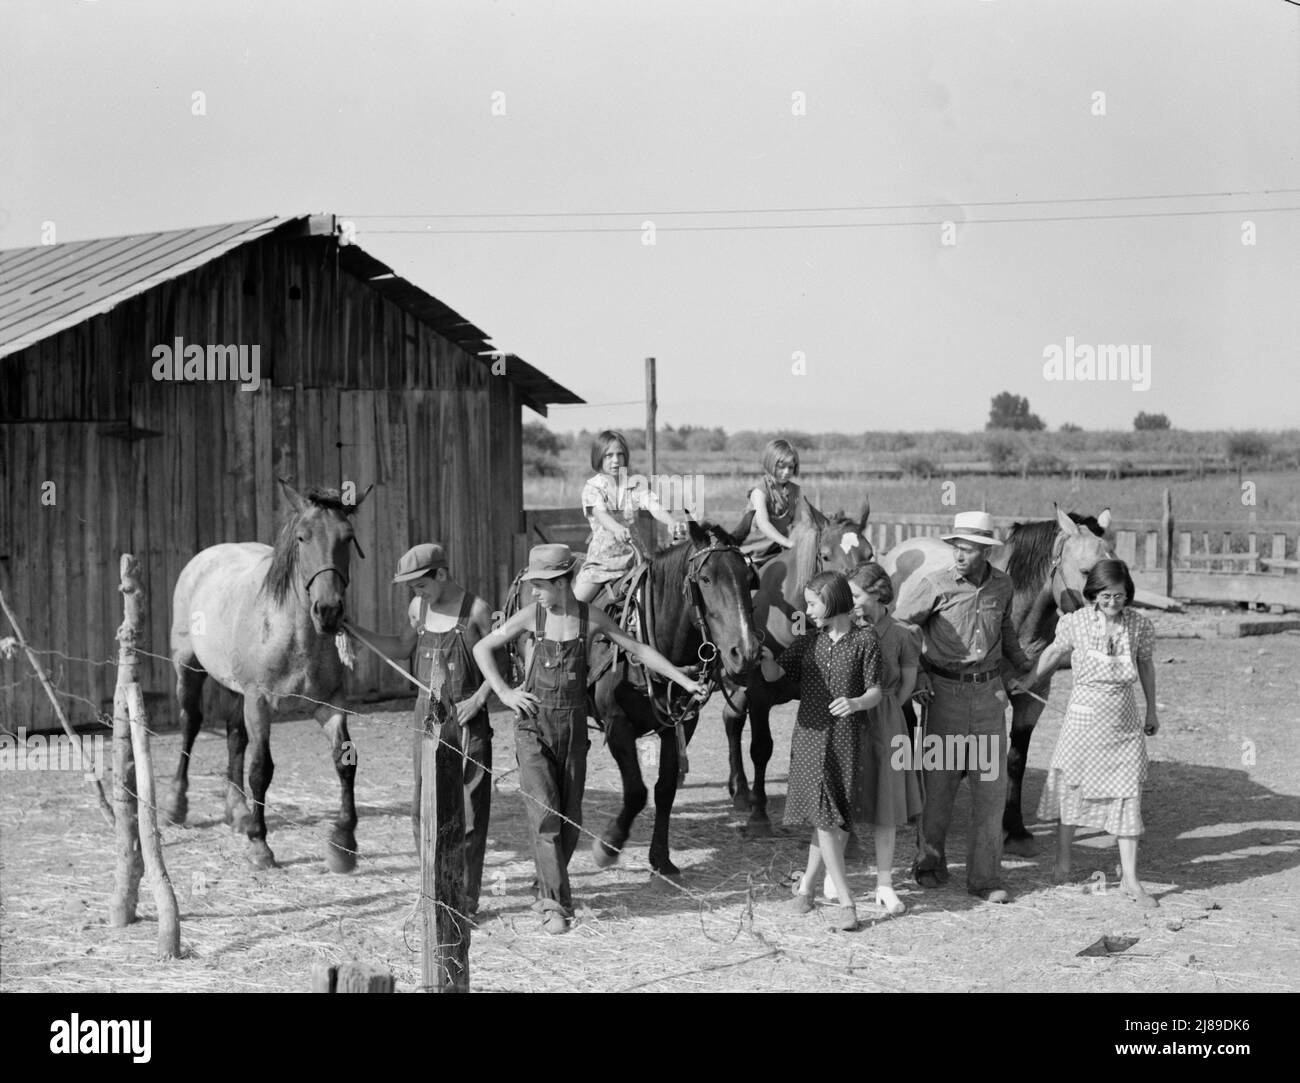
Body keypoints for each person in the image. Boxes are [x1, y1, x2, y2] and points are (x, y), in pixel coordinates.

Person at [474, 543, 704, 934]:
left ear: (563, 583)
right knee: (545, 811)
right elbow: (483, 647)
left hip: (574, 728)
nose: (534, 591)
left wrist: (684, 680)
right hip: (533, 726)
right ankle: (555, 905)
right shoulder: (531, 617)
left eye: (541, 584)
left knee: (570, 817)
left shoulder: (591, 618)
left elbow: (639, 649)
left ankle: (548, 880)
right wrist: (506, 693)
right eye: (532, 585)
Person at [893, 511, 1036, 904]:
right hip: (944, 697)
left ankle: (985, 878)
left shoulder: (1002, 586)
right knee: (938, 788)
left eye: (968, 549)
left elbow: (1005, 628)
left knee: (990, 791)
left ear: (985, 551)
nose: (959, 555)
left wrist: (1022, 665)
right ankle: (929, 864)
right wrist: (917, 675)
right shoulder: (934, 585)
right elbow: (901, 626)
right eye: (956, 547)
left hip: (989, 699)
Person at [346, 543, 496, 914]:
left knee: (469, 811)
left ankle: (465, 899)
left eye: (421, 586)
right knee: (422, 805)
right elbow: (400, 647)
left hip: (466, 719)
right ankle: (433, 889)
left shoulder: (477, 611)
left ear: (441, 575)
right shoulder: (419, 609)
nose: (417, 594)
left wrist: (477, 700)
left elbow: (501, 671)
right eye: (413, 589)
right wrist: (355, 631)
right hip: (425, 717)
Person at [1029, 558, 1160, 907]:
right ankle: (1062, 865)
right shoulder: (1075, 623)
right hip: (1083, 721)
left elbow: (1145, 666)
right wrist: (1027, 680)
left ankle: (1130, 880)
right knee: (1073, 788)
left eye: (1118, 596)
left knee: (1128, 792)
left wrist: (1152, 709)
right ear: (1093, 595)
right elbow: (1054, 653)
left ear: (1127, 593)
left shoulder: (1139, 626)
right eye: (1105, 596)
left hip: (1124, 720)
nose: (1113, 603)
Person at [761, 571, 883, 932]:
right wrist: (767, 660)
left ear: (833, 600)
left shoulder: (866, 640)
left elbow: (876, 690)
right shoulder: (807, 642)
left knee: (831, 819)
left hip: (847, 738)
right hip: (810, 737)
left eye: (813, 603)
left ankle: (806, 889)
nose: (808, 610)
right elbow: (774, 677)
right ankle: (847, 902)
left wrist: (857, 702)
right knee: (827, 820)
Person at [826, 562, 925, 915]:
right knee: (842, 800)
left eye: (855, 594)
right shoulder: (843, 630)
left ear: (879, 593)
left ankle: (884, 883)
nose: (848, 602)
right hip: (848, 721)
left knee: (887, 808)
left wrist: (884, 711)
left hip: (887, 722)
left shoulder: (902, 634)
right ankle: (833, 873)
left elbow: (908, 684)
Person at [573, 430, 679, 604]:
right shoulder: (593, 488)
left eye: (620, 454)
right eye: (608, 455)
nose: (615, 460)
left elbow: (652, 504)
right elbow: (600, 513)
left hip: (636, 560)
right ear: (598, 457)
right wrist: (616, 528)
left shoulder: (634, 484)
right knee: (574, 606)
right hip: (603, 564)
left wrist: (670, 521)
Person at [744, 437, 803, 562]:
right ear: (771, 463)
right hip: (755, 552)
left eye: (791, 467)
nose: (786, 472)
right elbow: (763, 523)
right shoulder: (759, 492)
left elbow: (797, 523)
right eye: (781, 467)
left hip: (781, 550)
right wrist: (787, 542)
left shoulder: (797, 491)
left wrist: (797, 542)